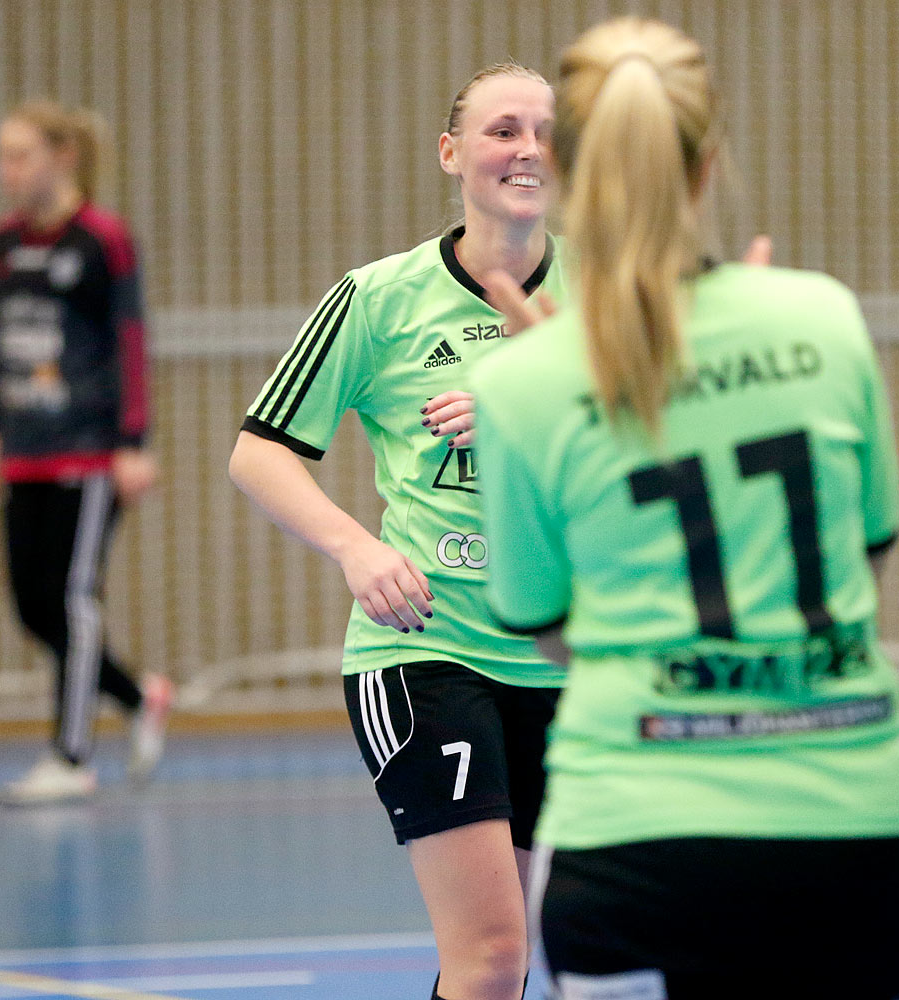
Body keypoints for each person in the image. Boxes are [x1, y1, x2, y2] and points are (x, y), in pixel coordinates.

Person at [473, 19, 899, 999]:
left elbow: (552, 635)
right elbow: (863, 567)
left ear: (569, 172)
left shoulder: (526, 382)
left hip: (635, 838)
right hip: (852, 833)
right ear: (710, 163)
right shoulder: (823, 320)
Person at [228, 64, 567, 1000]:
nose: (528, 148)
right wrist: (356, 548)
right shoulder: (378, 299)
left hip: (573, 659)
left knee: (564, 955)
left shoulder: (610, 302)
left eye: (545, 131)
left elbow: (654, 449)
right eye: (503, 129)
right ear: (453, 153)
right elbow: (258, 452)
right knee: (493, 957)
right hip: (429, 650)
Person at [0, 100, 172, 807]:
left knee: (73, 598)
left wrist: (132, 443)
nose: (6, 171)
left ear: (61, 158)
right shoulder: (5, 242)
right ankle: (137, 694)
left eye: (19, 155)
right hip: (24, 444)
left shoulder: (102, 241)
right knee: (33, 606)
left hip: (88, 452)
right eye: (2, 157)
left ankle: (71, 755)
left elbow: (131, 340)